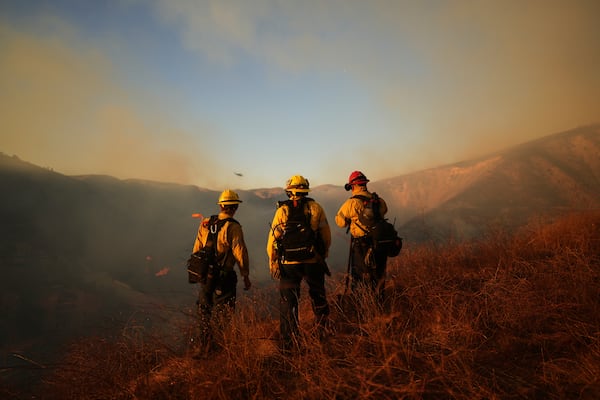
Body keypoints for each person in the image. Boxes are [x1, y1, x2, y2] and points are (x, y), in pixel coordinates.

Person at [267, 175, 332, 352]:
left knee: (289, 302)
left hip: (289, 263)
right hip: (313, 261)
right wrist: (323, 254)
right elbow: (326, 235)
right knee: (318, 295)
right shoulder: (316, 208)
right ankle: (322, 334)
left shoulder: (282, 211)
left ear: (290, 191)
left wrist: (273, 261)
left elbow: (273, 239)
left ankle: (289, 344)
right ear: (305, 190)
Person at [190, 189, 251, 354]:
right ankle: (218, 348)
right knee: (223, 312)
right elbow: (240, 253)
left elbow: (197, 248)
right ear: (234, 208)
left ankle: (203, 346)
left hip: (205, 276)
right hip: (224, 276)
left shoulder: (206, 222)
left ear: (221, 206)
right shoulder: (233, 226)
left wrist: (198, 272)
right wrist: (245, 275)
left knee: (204, 310)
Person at [335, 171, 389, 300]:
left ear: (352, 186)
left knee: (360, 276)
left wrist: (352, 219)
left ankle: (363, 306)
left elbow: (340, 221)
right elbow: (385, 211)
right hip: (379, 243)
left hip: (361, 245)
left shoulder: (352, 203)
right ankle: (379, 303)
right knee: (378, 275)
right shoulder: (378, 201)